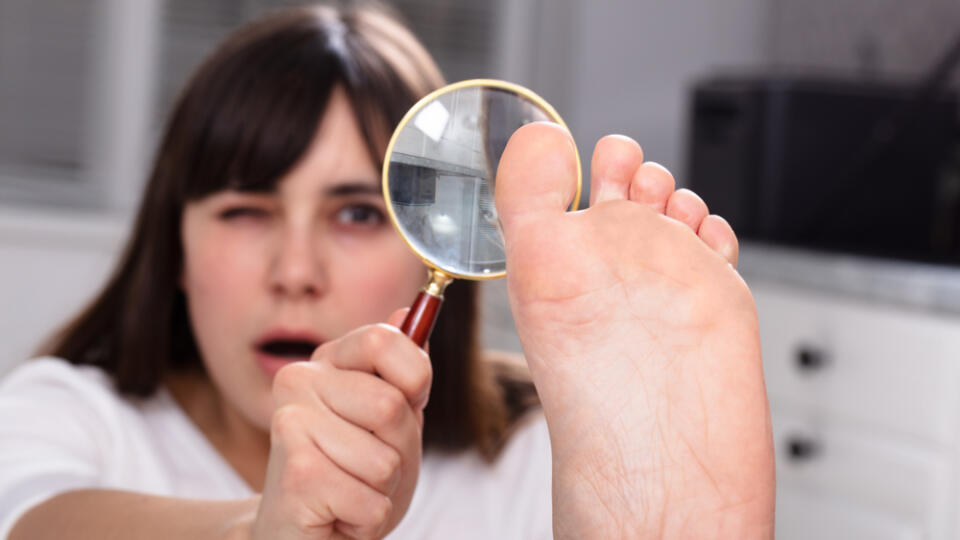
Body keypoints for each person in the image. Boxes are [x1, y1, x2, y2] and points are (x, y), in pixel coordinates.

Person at [0, 4, 775, 540]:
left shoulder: (536, 452)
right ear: (175, 245)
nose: (295, 272)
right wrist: (261, 530)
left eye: (358, 214)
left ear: (428, 247)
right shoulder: (69, 412)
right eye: (245, 211)